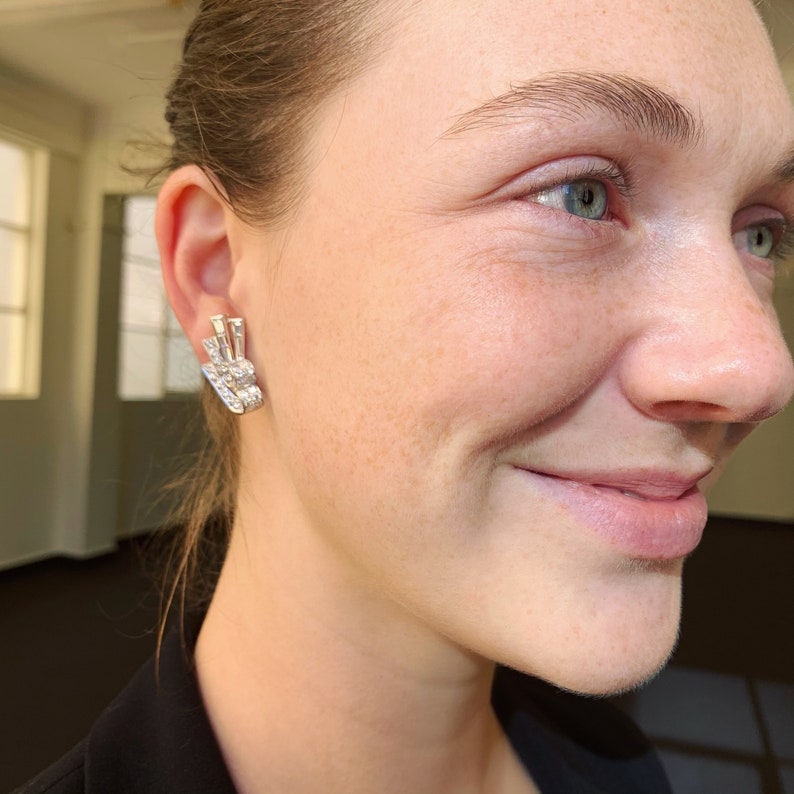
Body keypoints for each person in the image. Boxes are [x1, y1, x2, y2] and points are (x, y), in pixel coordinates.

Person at [19, 0, 794, 791]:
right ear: (218, 276)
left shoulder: (616, 764)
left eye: (760, 231)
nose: (758, 372)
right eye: (580, 194)